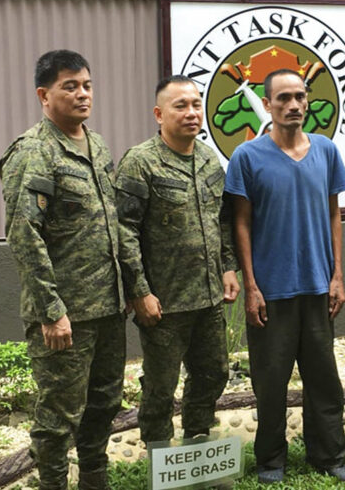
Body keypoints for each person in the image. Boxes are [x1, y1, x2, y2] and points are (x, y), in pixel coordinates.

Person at [0, 49, 126, 490]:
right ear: (44, 94)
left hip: (108, 307)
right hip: (65, 315)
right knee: (58, 418)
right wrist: (51, 310)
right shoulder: (33, 151)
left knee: (103, 404)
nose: (82, 94)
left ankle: (95, 481)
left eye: (86, 84)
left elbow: (110, 223)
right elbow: (24, 235)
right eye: (69, 86)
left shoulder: (98, 144)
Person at [224, 69, 345, 484]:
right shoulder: (247, 157)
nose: (294, 105)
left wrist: (337, 276)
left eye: (300, 96)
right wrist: (251, 286)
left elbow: (335, 213)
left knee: (324, 381)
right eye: (283, 98)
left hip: (318, 287)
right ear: (267, 105)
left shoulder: (325, 150)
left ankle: (329, 456)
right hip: (271, 291)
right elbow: (240, 225)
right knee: (271, 383)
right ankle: (271, 461)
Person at [115, 75, 239, 443]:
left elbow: (222, 219)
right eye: (180, 106)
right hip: (163, 304)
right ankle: (158, 461)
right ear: (159, 114)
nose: (191, 113)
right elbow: (124, 232)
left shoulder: (208, 158)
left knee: (214, 373)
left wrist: (228, 266)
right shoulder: (140, 162)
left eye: (196, 104)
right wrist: (139, 292)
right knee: (160, 387)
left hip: (208, 298)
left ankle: (196, 450)